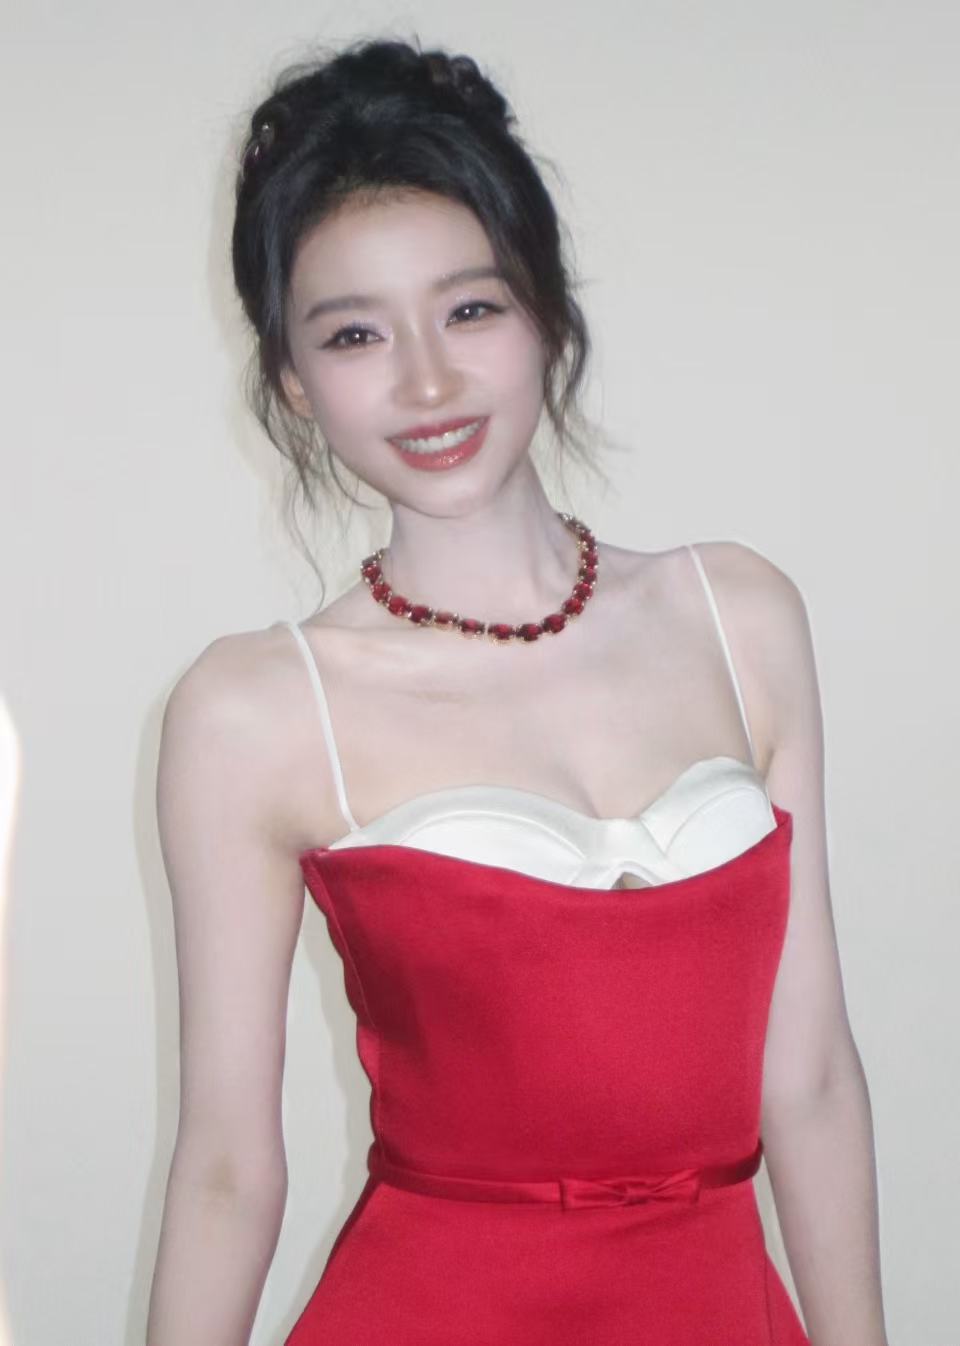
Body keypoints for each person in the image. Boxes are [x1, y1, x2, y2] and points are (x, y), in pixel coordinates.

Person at [146, 37, 889, 1346]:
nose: (426, 382)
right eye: (355, 334)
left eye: (470, 310)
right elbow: (225, 1168)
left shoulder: (741, 616)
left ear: (544, 308)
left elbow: (813, 1075)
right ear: (293, 383)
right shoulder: (253, 711)